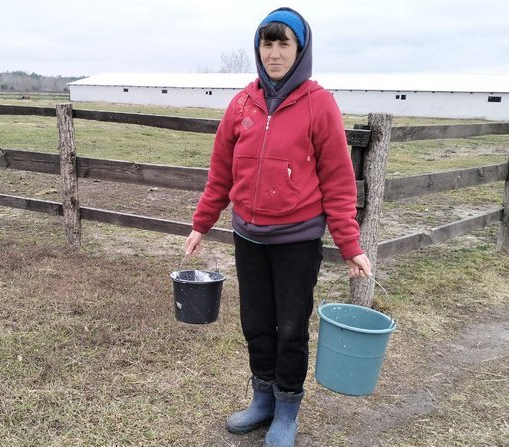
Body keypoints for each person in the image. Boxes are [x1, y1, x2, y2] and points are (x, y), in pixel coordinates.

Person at [183, 6, 372, 447]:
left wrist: (350, 244)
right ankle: (262, 400)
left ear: (300, 49)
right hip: (248, 237)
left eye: (283, 43)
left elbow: (338, 181)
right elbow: (221, 173)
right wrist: (201, 223)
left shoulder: (320, 104)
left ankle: (287, 411)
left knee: (290, 328)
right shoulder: (241, 104)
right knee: (255, 323)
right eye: (267, 43)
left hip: (296, 242)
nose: (274, 53)